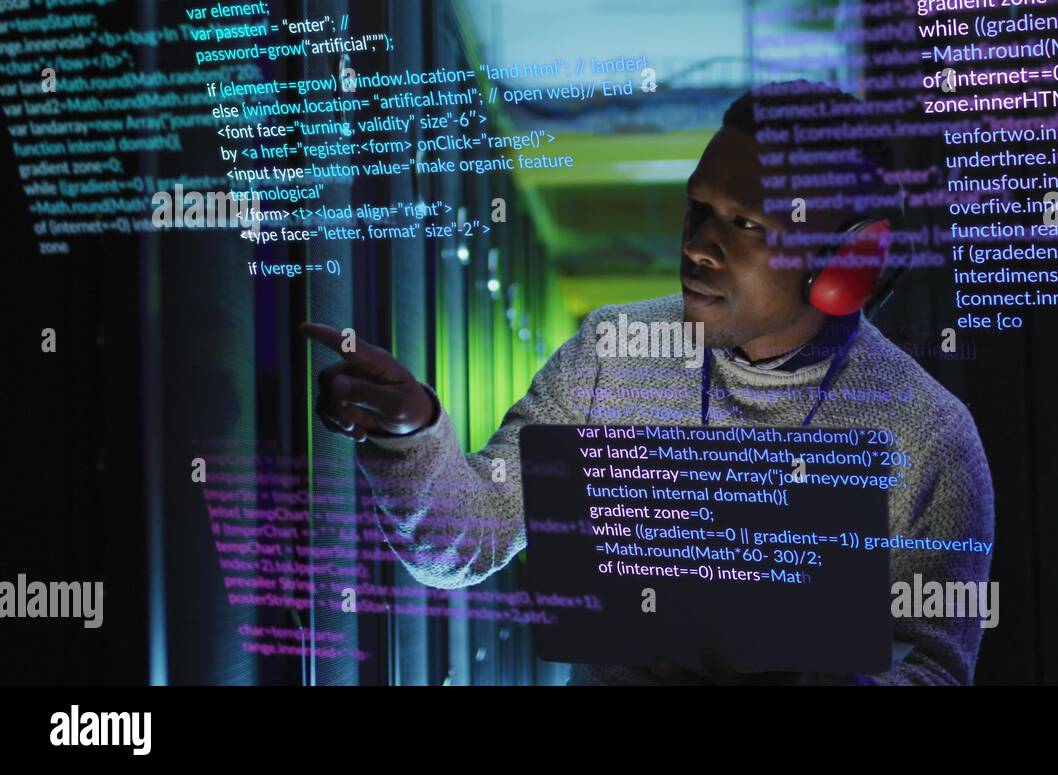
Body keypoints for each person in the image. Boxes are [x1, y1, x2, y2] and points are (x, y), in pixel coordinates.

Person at [302, 81, 995, 685]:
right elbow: (470, 535)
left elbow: (935, 669)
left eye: (745, 223)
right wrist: (409, 433)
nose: (696, 243)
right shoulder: (612, 352)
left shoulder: (930, 436)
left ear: (847, 265)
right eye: (698, 207)